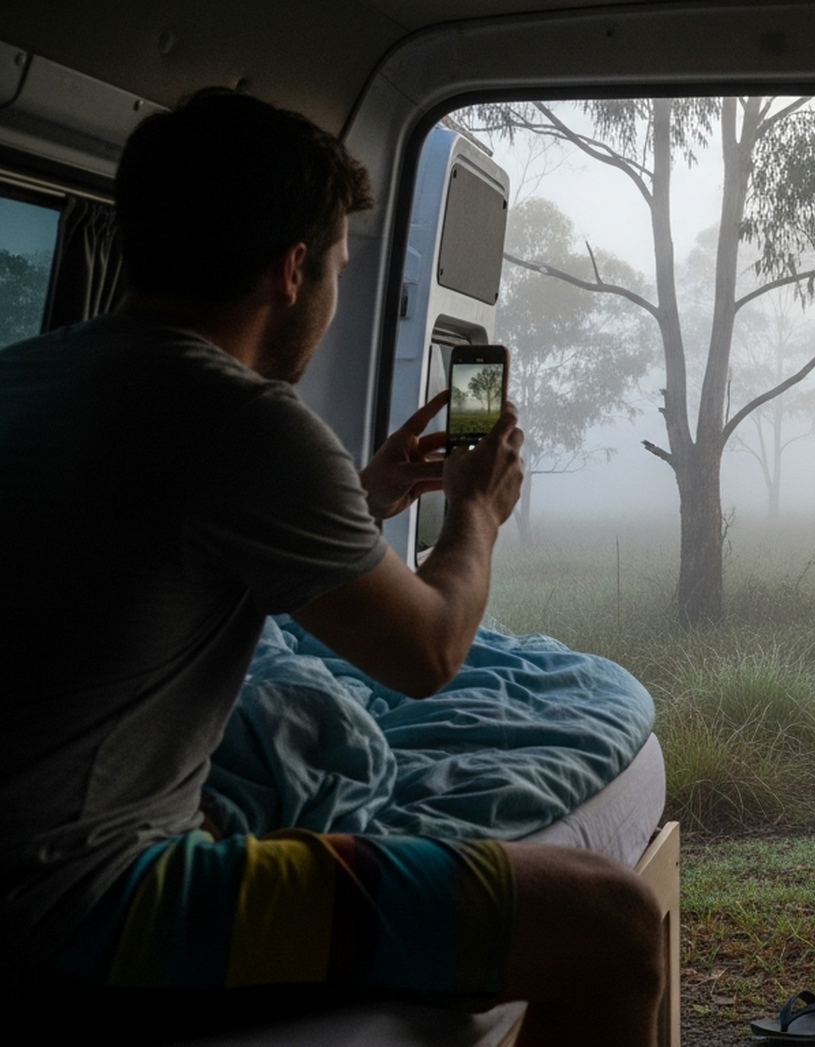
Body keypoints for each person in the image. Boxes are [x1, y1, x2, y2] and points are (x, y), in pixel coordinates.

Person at [0, 89, 662, 1046]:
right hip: (85, 911)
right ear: (292, 269)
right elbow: (429, 653)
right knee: (614, 923)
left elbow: (146, 543)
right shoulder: (241, 418)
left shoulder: (33, 371)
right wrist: (474, 512)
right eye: (341, 269)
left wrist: (361, 495)